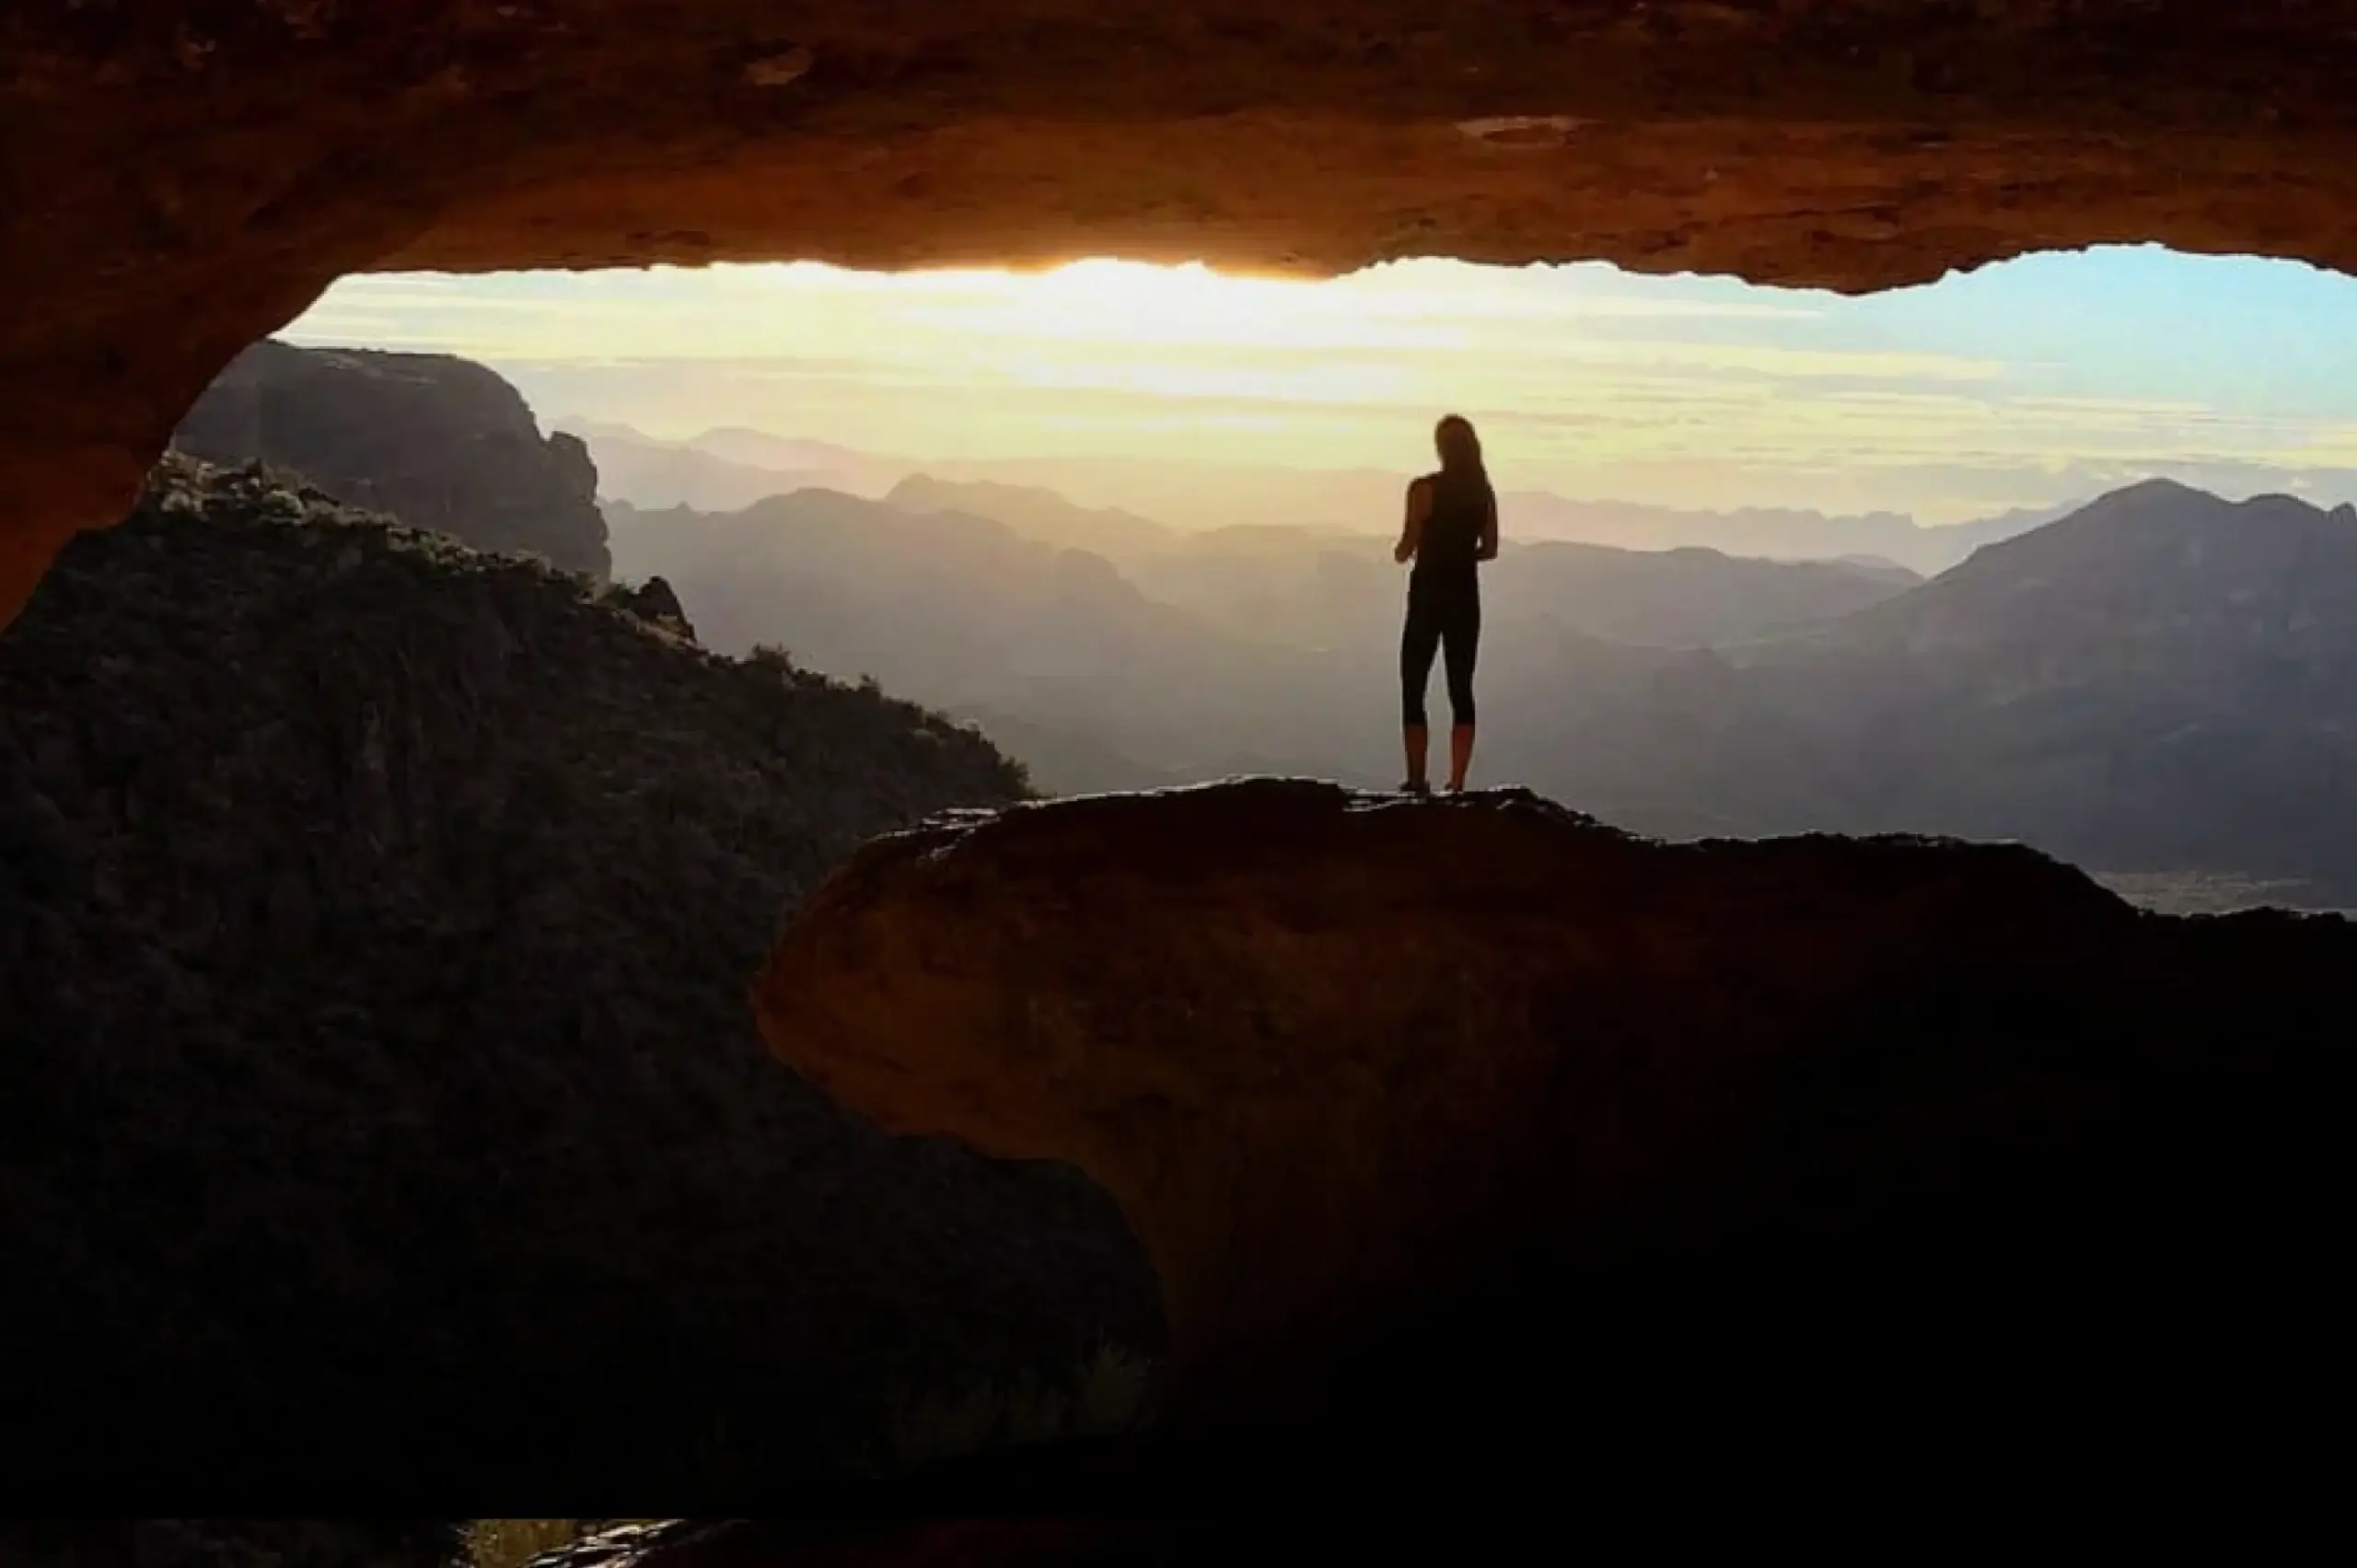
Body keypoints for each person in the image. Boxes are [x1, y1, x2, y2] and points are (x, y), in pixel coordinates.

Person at [1392, 413, 1498, 795]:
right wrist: (1462, 554)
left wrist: (1404, 551)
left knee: (1414, 683)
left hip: (1427, 594)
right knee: (1461, 688)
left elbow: (1406, 547)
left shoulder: (1423, 489)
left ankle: (1417, 778)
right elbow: (1490, 549)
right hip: (1465, 595)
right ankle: (1457, 782)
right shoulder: (1482, 495)